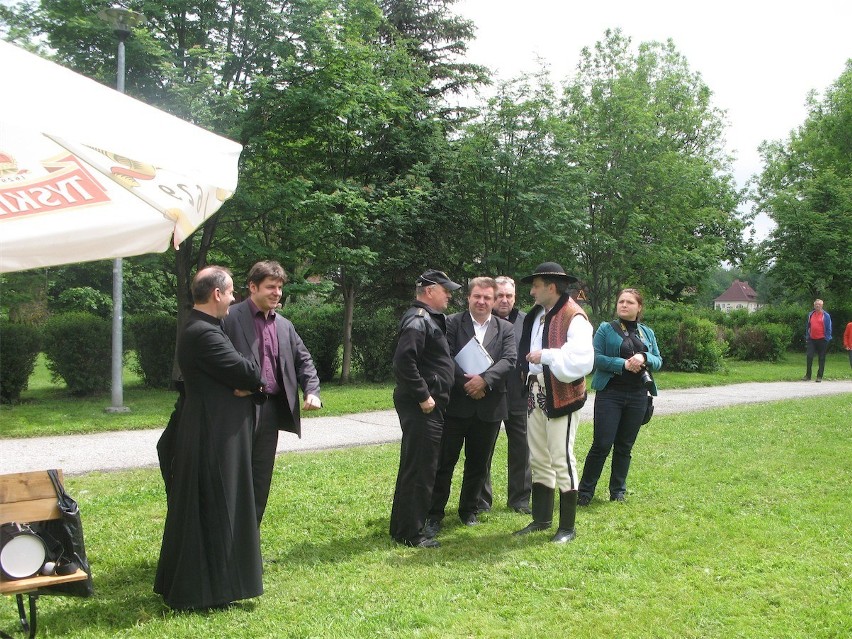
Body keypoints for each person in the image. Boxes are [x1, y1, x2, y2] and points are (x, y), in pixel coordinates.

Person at [154, 266, 266, 610]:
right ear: (217, 293)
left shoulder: (203, 328)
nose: (234, 299)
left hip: (211, 429)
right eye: (231, 292)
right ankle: (209, 590)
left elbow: (245, 376)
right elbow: (251, 371)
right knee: (217, 505)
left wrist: (247, 383)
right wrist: (249, 380)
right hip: (212, 435)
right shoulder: (204, 332)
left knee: (207, 506)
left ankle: (209, 587)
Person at [223, 261, 322, 526]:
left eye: (279, 287)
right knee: (232, 478)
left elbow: (304, 360)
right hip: (236, 411)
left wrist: (311, 389)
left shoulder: (285, 326)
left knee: (259, 478)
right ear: (252, 287)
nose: (276, 292)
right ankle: (227, 546)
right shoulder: (230, 317)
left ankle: (249, 547)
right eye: (270, 287)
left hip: (269, 411)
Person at [424, 277, 517, 538]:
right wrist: (468, 383)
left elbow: (509, 360)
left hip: (489, 406)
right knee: (445, 462)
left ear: (495, 299)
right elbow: (445, 357)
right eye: (477, 296)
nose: (482, 301)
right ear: (468, 297)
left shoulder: (505, 328)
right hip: (456, 403)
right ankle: (434, 514)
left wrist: (484, 381)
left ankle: (468, 510)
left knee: (478, 464)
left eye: (488, 297)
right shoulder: (452, 323)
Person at [514, 262, 594, 544]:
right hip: (535, 392)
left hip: (562, 394)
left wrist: (546, 356)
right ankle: (541, 518)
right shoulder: (537, 315)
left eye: (535, 285)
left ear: (551, 286)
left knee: (561, 457)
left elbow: (582, 360)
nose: (532, 291)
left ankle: (567, 527)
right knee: (538, 456)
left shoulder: (575, 316)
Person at [390, 269, 461, 548]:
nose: (449, 295)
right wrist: (423, 396)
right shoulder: (418, 321)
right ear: (430, 291)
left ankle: (402, 528)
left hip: (428, 405)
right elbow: (403, 363)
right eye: (446, 290)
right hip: (423, 407)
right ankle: (411, 533)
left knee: (416, 465)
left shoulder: (427, 320)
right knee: (421, 468)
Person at [578, 288, 663, 506]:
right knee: (602, 444)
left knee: (625, 446)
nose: (624, 305)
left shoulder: (647, 333)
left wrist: (643, 356)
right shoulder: (606, 329)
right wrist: (622, 364)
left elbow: (658, 360)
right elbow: (594, 357)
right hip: (611, 394)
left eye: (629, 302)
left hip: (638, 395)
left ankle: (618, 492)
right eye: (621, 302)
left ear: (639, 307)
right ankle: (585, 492)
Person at [479, 276, 532, 515]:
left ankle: (519, 500)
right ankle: (480, 501)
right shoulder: (480, 322)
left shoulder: (527, 322)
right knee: (483, 449)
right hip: (487, 394)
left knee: (521, 450)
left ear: (515, 297)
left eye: (508, 296)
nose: (504, 300)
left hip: (519, 394)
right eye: (499, 295)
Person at [802, 299, 832, 382]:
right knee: (809, 356)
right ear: (814, 305)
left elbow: (829, 328)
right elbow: (808, 326)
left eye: (819, 304)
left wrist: (827, 338)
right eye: (816, 304)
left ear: (822, 305)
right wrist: (808, 337)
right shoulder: (810, 314)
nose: (817, 306)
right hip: (812, 339)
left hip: (822, 339)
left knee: (821, 358)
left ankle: (819, 376)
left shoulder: (826, 315)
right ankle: (808, 375)